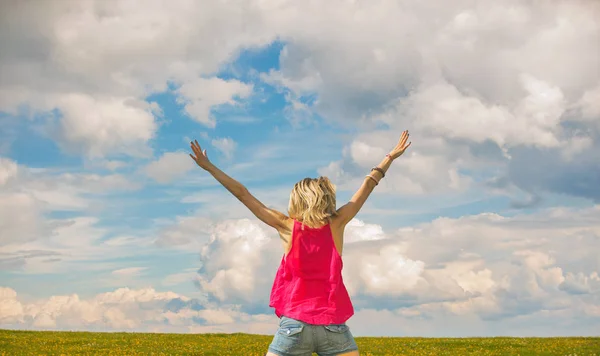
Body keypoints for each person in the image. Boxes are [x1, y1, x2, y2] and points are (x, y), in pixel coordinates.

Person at [189, 130, 412, 356]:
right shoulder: (337, 224)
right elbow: (368, 186)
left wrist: (209, 167)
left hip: (294, 326)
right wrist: (389, 158)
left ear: (297, 199)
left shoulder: (287, 227)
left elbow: (243, 194)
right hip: (333, 326)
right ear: (326, 198)